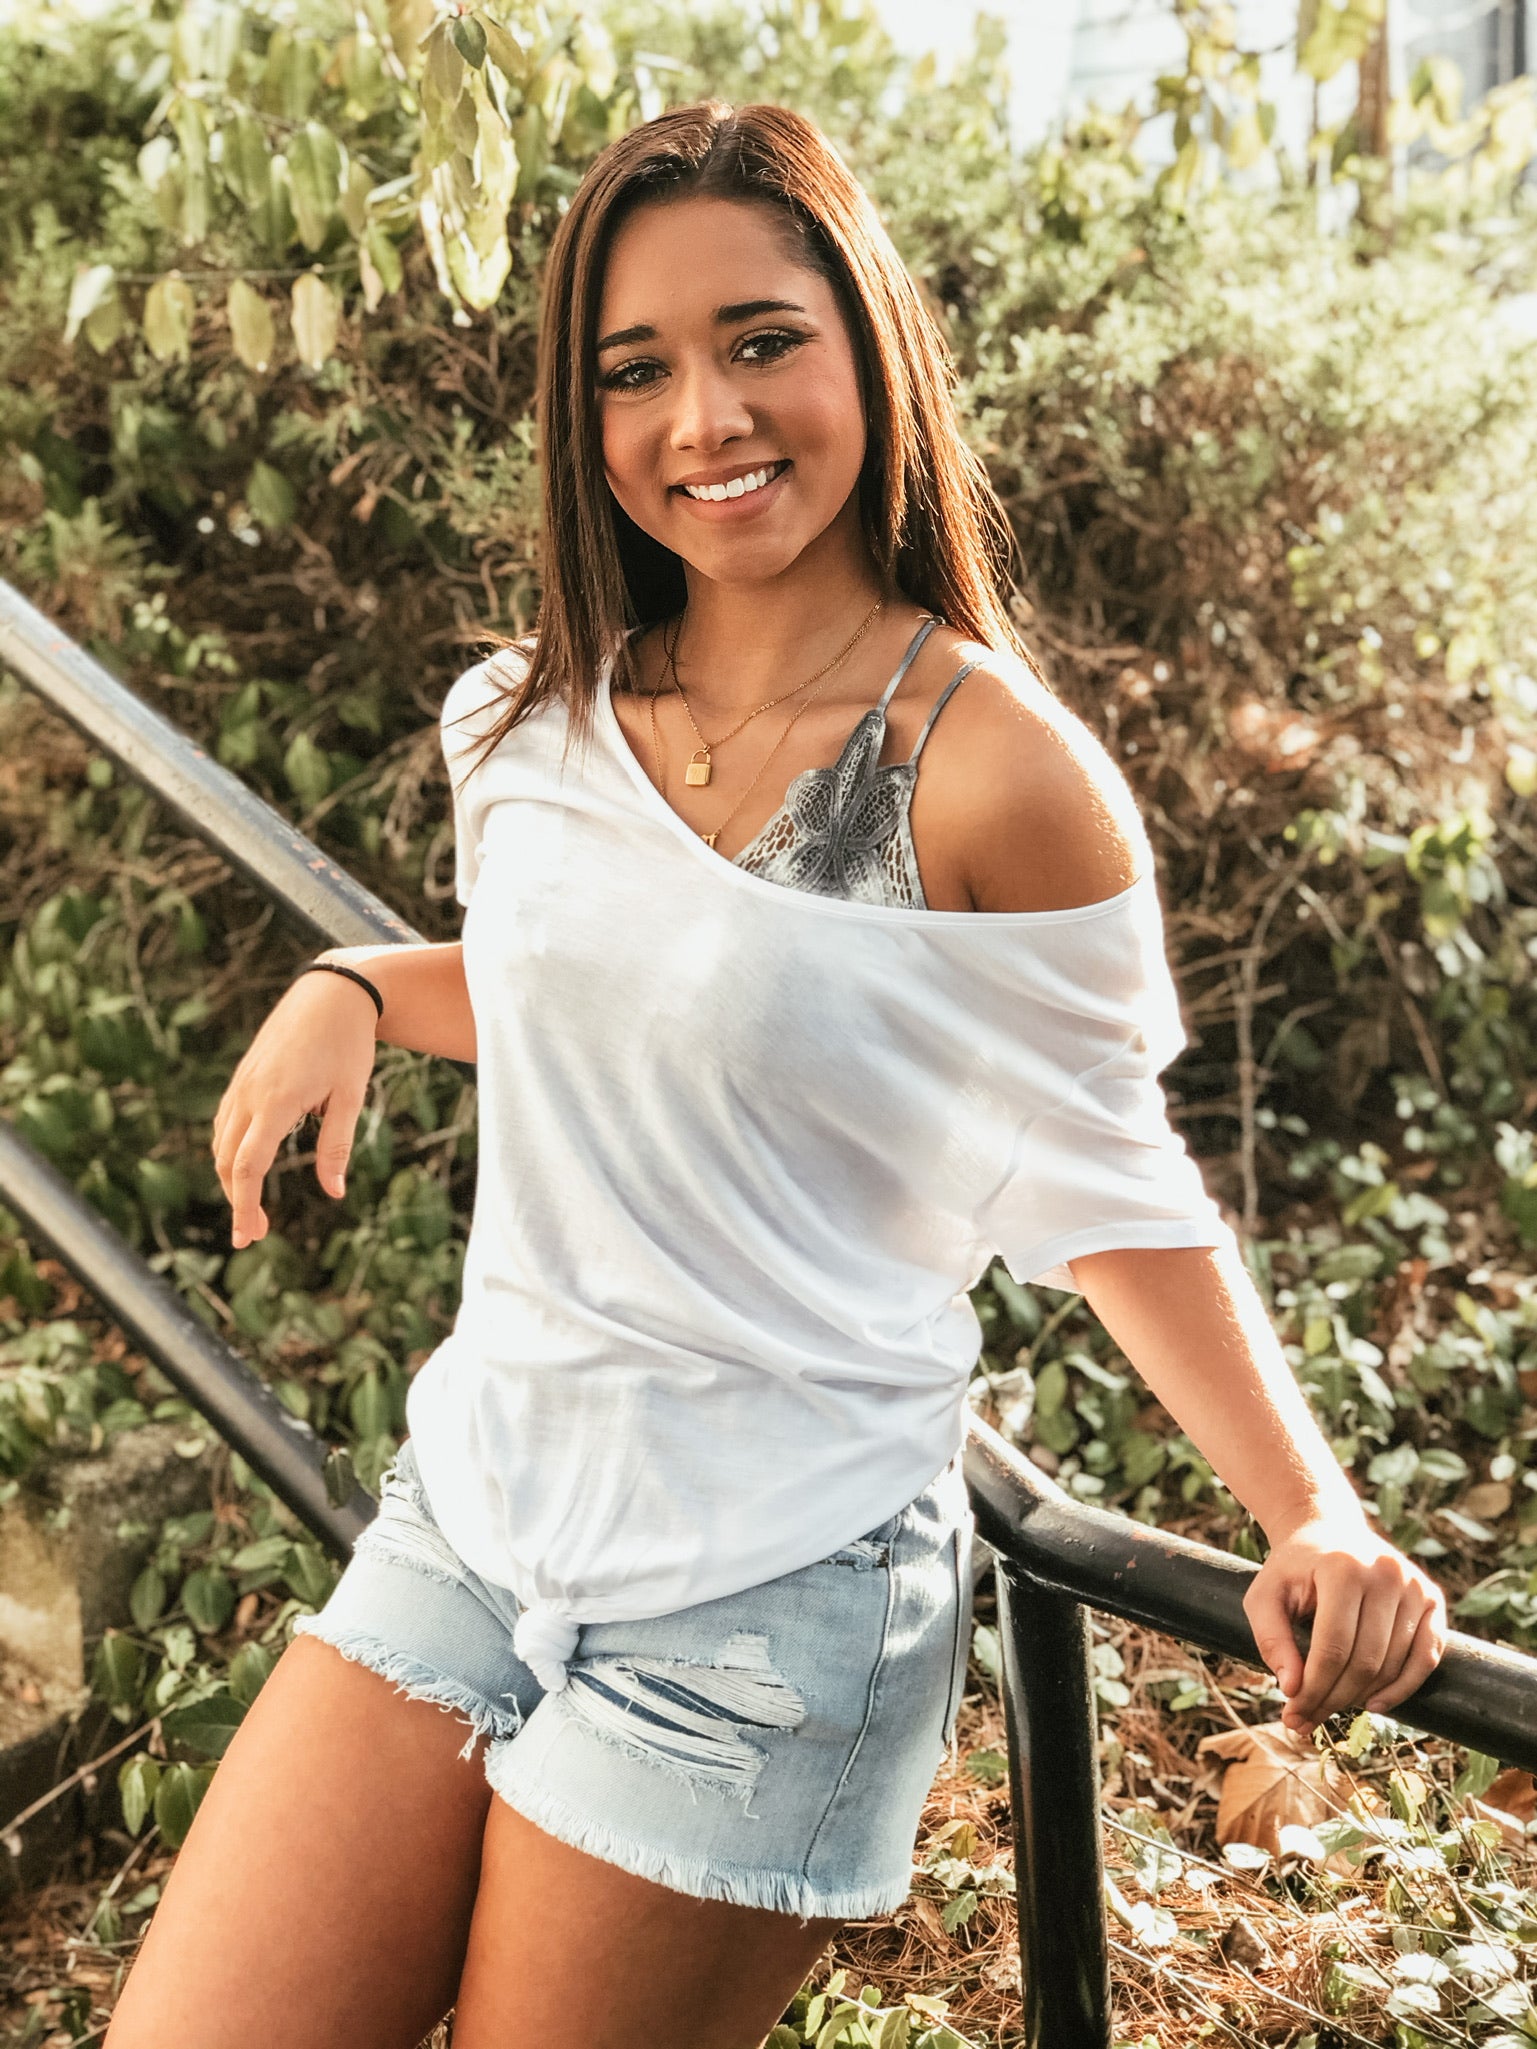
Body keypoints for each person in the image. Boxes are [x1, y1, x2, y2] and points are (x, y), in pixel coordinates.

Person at [105, 99, 1448, 2049]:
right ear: (579, 414)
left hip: (766, 1594)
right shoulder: (523, 717)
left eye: (759, 341)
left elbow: (1105, 1171)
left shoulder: (989, 770)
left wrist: (1308, 1508)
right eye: (634, 368)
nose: (704, 418)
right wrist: (366, 983)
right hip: (475, 1512)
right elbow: (613, 996)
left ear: (864, 352)